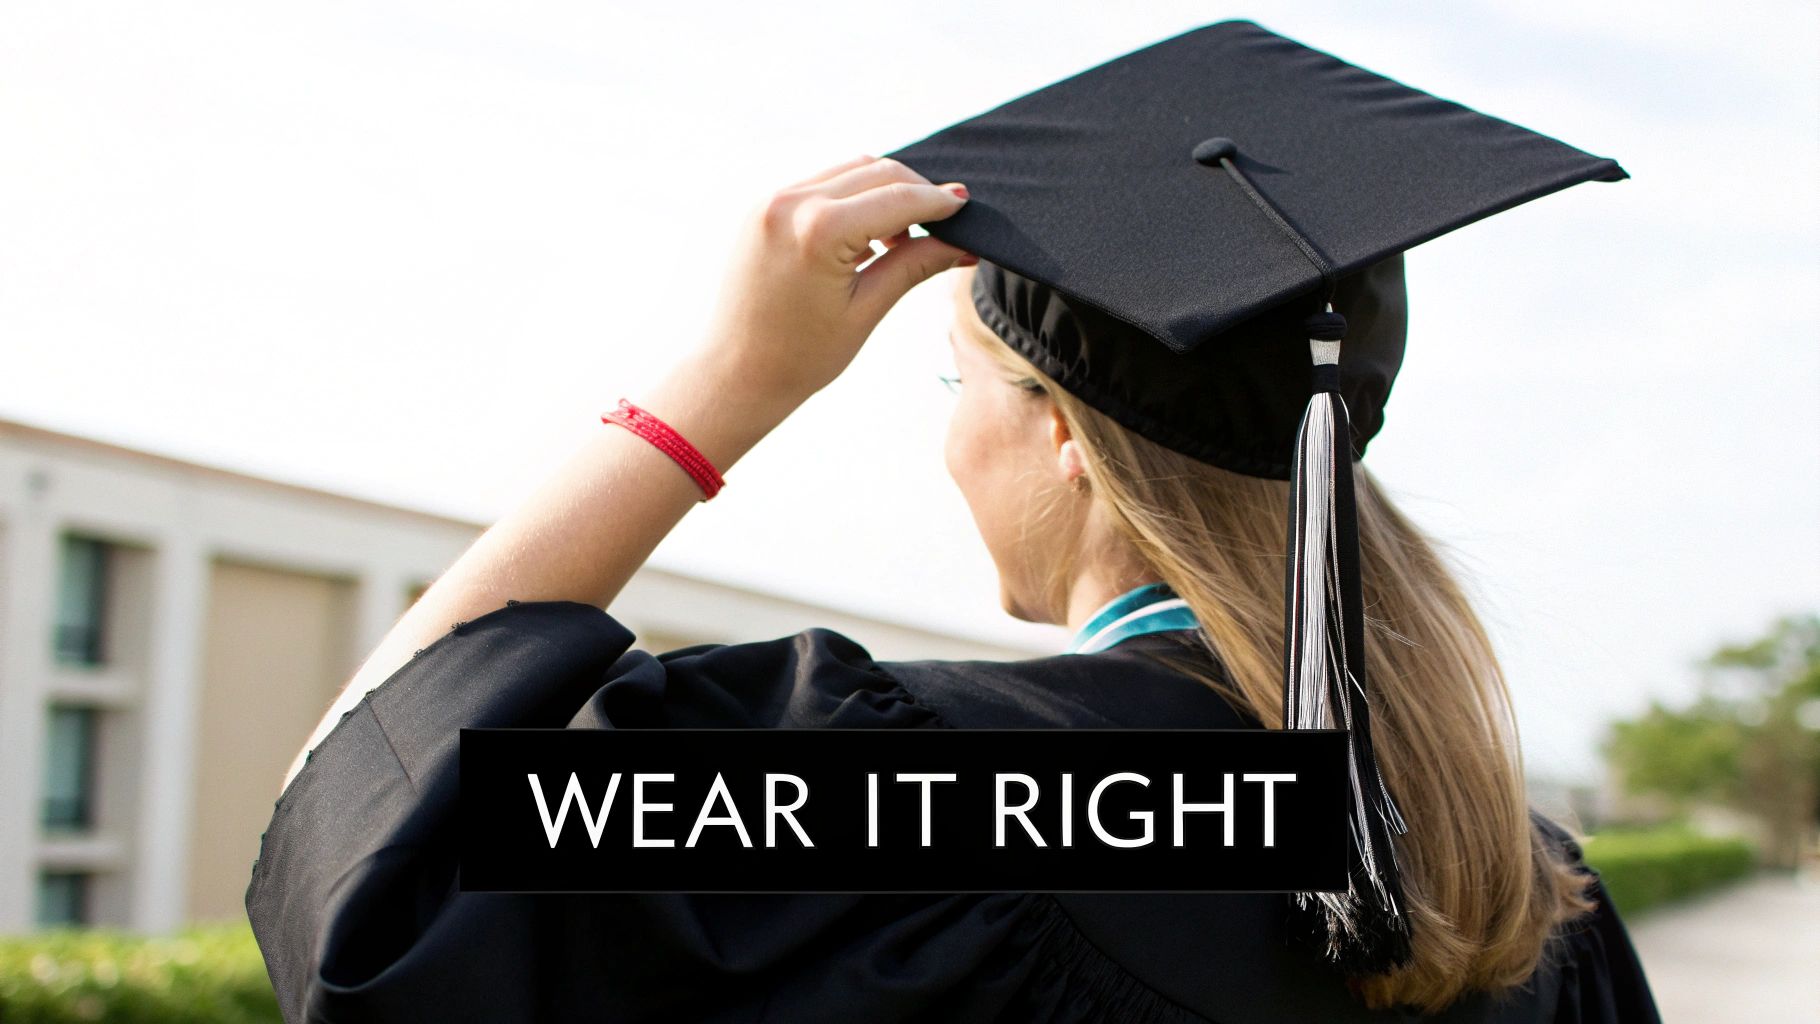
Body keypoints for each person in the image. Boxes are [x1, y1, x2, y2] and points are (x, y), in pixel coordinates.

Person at [248, 20, 1661, 1023]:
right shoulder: (1499, 861)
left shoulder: (953, 799)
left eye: (956, 381)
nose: (949, 434)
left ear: (1060, 436)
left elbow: (367, 886)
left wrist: (724, 387)